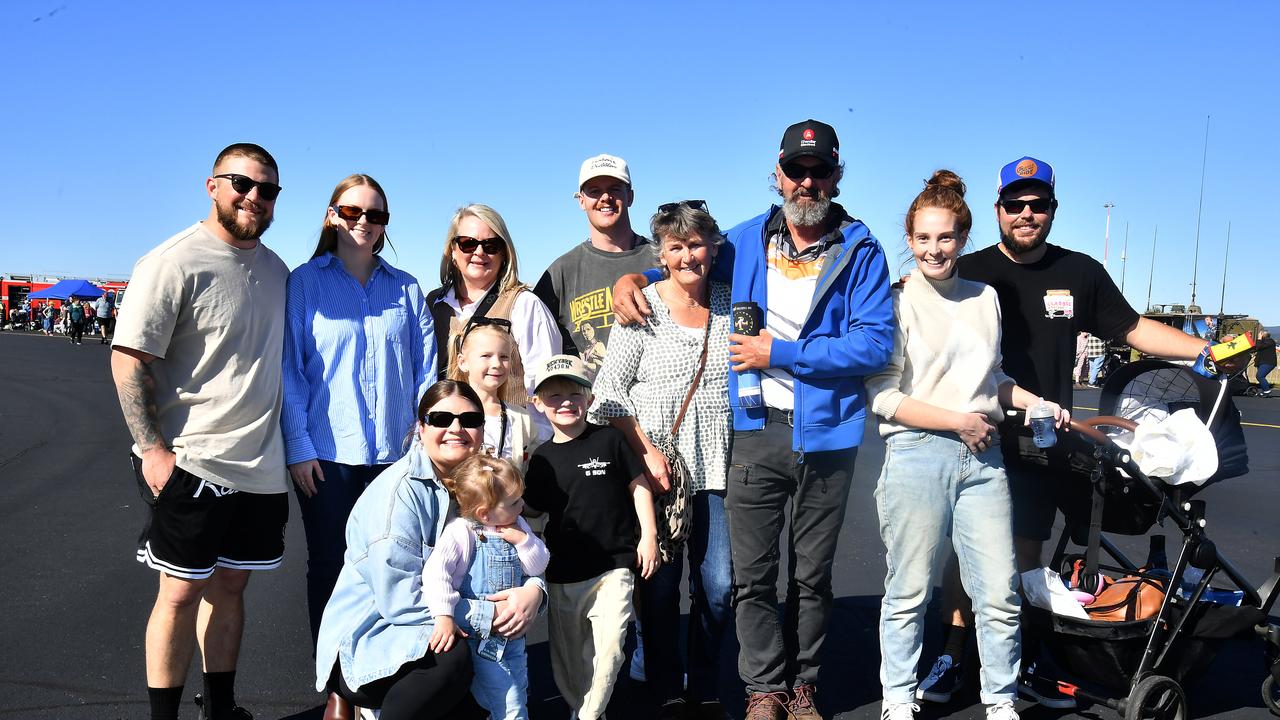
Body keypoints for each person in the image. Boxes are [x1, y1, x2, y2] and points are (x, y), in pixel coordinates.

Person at [614, 118, 895, 720]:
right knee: (752, 577)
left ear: (836, 176)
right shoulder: (740, 241)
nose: (807, 182)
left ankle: (804, 686)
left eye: (820, 172)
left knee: (813, 575)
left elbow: (874, 345)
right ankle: (764, 687)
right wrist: (632, 276)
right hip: (755, 430)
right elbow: (680, 267)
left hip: (829, 435)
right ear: (778, 173)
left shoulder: (861, 248)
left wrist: (781, 354)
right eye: (797, 170)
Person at [917, 156, 1219, 710]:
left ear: (1052, 209)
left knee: (1025, 554)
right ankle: (953, 655)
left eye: (1038, 204)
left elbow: (1132, 328)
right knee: (967, 553)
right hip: (974, 434)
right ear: (998, 209)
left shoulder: (1079, 272)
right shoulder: (972, 270)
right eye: (1016, 204)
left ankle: (1023, 657)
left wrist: (1204, 350)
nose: (1026, 214)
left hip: (1041, 442)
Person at [864, 170, 1069, 720]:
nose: (935, 249)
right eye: (924, 238)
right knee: (908, 590)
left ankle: (1000, 701)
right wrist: (957, 421)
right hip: (916, 453)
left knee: (999, 593)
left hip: (984, 458)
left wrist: (1034, 402)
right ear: (909, 240)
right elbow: (883, 398)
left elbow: (993, 378)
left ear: (963, 238)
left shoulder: (985, 299)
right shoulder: (896, 302)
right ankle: (896, 699)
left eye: (947, 237)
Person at [111, 142, 289, 720]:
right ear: (212, 186)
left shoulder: (277, 270)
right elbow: (128, 358)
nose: (254, 197)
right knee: (180, 592)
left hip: (261, 466)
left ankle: (221, 706)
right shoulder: (173, 261)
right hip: (193, 462)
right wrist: (152, 451)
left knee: (231, 590)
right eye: (242, 184)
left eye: (267, 190)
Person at [315, 380, 547, 720]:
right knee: (451, 659)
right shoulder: (398, 499)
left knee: (480, 667)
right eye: (440, 419)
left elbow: (527, 557)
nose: (456, 428)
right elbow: (402, 602)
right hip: (373, 639)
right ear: (421, 428)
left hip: (445, 624)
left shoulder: (485, 488)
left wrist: (534, 594)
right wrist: (494, 615)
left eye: (469, 420)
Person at [588, 201, 734, 719]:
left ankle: (707, 675)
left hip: (719, 467)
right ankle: (668, 685)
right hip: (661, 471)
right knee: (662, 588)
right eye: (675, 247)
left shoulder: (731, 303)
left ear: (713, 248)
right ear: (661, 253)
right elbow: (607, 394)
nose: (687, 256)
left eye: (696, 244)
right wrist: (646, 451)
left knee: (718, 587)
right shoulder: (642, 308)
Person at [280, 173, 437, 657]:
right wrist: (300, 448)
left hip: (397, 456)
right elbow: (290, 371)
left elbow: (426, 372)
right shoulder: (304, 284)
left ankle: (385, 671)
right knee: (330, 566)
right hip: (327, 457)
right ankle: (335, 680)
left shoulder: (407, 289)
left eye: (375, 215)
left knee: (397, 567)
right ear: (332, 216)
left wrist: (422, 446)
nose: (363, 222)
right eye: (352, 212)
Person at [523, 354, 660, 720]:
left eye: (574, 393)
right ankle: (584, 709)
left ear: (590, 399)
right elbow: (532, 510)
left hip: (614, 566)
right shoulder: (541, 459)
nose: (565, 402)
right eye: (553, 396)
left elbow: (639, 487)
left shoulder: (610, 440)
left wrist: (649, 536)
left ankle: (588, 715)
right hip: (564, 572)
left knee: (612, 647)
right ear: (537, 403)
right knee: (569, 658)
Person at [424, 453, 550, 720]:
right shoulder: (461, 533)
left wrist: (524, 541)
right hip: (481, 640)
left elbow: (538, 565)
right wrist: (444, 616)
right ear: (485, 513)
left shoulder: (517, 525)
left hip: (514, 639)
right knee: (510, 705)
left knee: (517, 689)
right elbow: (437, 574)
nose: (522, 505)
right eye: (515, 502)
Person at [533, 154, 656, 373]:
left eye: (615, 189)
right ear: (581, 200)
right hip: (590, 404)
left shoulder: (661, 258)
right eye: (595, 191)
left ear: (630, 196)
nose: (605, 197)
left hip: (656, 402)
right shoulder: (561, 272)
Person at [426, 204, 561, 397]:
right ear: (452, 250)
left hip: (510, 426)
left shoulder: (524, 305)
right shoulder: (432, 304)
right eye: (468, 243)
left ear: (504, 253)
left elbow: (545, 387)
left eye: (491, 245)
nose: (479, 252)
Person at [446, 320, 548, 470]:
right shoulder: (445, 414)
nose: (497, 364)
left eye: (504, 357)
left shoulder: (522, 418)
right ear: (463, 362)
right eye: (486, 356)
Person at [1255, 329, 1276, 395]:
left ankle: (1267, 391)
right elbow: (1257, 348)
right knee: (1261, 377)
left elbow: (1259, 346)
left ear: (1263, 335)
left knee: (1260, 376)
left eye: (1260, 333)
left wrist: (1259, 338)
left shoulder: (1270, 341)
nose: (1258, 334)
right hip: (1261, 362)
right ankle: (1264, 391)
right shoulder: (1263, 342)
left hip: (1268, 363)